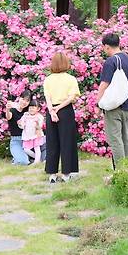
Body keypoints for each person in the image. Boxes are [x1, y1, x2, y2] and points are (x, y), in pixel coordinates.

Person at [97, 33, 128, 168]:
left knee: (115, 140)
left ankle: (120, 172)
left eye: (104, 47)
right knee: (125, 138)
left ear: (107, 46)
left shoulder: (111, 61)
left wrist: (98, 103)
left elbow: (104, 84)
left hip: (114, 107)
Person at [43, 52, 81, 183]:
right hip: (65, 111)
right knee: (67, 142)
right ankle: (66, 173)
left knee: (52, 142)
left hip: (51, 110)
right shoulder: (71, 79)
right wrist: (58, 109)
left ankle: (52, 174)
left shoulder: (48, 79)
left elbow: (47, 97)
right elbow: (72, 98)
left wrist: (52, 111)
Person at [5, 91, 32, 165]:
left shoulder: (28, 112)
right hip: (16, 141)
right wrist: (7, 109)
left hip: (27, 140)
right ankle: (17, 158)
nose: (24, 102)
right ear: (19, 98)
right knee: (24, 162)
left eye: (27, 101)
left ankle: (20, 157)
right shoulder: (12, 110)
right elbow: (8, 117)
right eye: (23, 99)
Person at [18, 99, 45, 165]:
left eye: (33, 108)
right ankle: (39, 158)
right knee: (26, 149)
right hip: (27, 136)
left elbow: (40, 126)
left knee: (37, 148)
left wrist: (37, 124)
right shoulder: (25, 116)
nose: (31, 109)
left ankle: (36, 161)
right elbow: (22, 126)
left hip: (36, 135)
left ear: (38, 109)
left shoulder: (39, 117)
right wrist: (20, 124)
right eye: (30, 108)